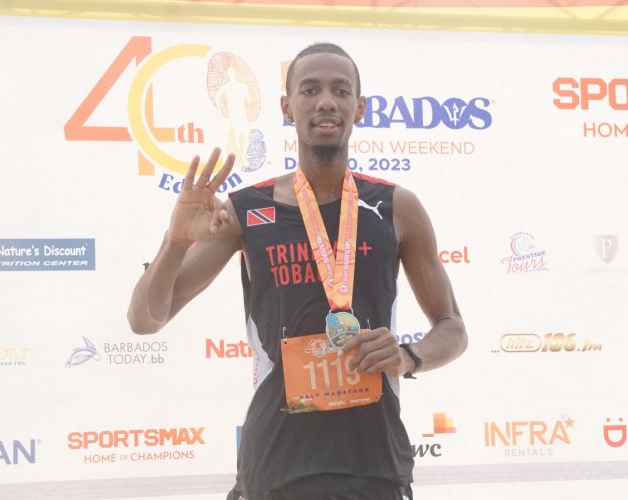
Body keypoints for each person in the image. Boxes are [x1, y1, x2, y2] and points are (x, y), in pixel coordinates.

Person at [128, 42, 467, 500]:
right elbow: (146, 319)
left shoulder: (397, 206)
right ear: (288, 108)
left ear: (359, 107)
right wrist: (175, 241)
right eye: (310, 89)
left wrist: (408, 357)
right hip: (277, 463)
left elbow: (452, 328)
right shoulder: (245, 211)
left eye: (340, 90)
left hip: (373, 462)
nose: (326, 100)